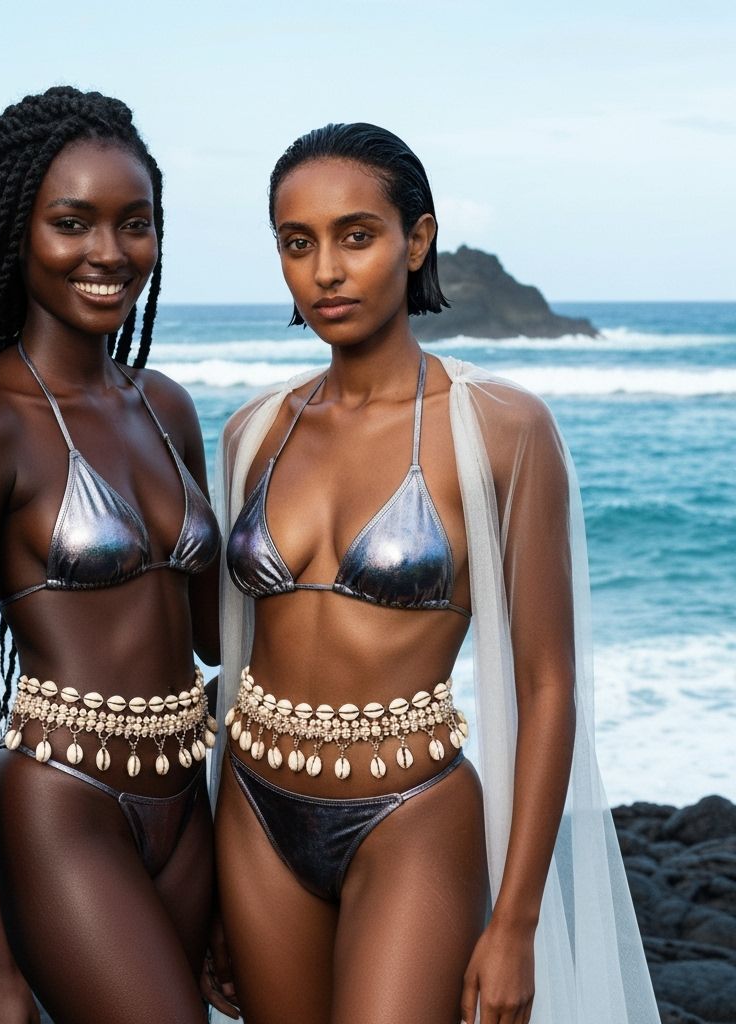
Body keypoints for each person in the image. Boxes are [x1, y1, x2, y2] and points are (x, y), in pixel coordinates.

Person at [209, 123, 660, 1024]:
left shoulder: (499, 428)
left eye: (356, 235)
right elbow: (233, 649)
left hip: (411, 816)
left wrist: (517, 922)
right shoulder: (253, 430)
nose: (326, 270)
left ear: (416, 242)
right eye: (298, 244)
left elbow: (547, 681)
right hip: (253, 815)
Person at [0, 86, 222, 1023]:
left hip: (191, 805)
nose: (108, 253)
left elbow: (215, 637)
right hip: (63, 808)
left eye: (136, 224)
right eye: (72, 223)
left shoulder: (165, 407)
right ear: (19, 232)